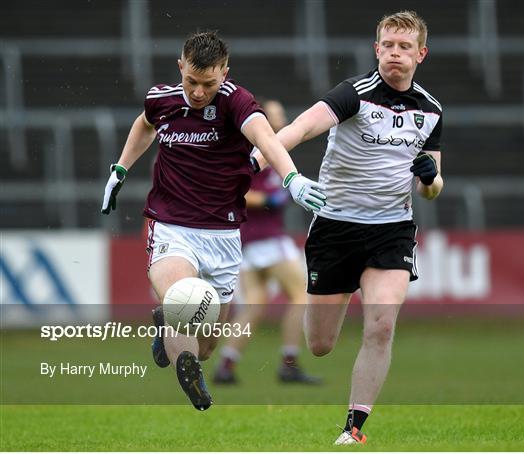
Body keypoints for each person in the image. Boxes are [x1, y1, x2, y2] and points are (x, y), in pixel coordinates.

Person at [101, 31, 326, 411]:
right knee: (182, 297)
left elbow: (267, 140)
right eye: (191, 81)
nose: (199, 92)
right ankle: (176, 336)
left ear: (225, 72)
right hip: (172, 226)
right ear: (180, 67)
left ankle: (173, 335)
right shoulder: (162, 99)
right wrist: (120, 168)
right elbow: (144, 124)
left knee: (206, 346)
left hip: (223, 234)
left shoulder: (237, 103)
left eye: (209, 83)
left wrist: (291, 178)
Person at [251, 11, 443, 444]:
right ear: (377, 49)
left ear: (421, 54)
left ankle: (354, 429)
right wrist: (255, 161)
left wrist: (430, 178)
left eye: (405, 46)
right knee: (319, 344)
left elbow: (432, 188)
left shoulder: (431, 111)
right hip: (336, 227)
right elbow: (299, 129)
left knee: (381, 325)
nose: (395, 53)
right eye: (388, 45)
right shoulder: (353, 94)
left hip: (392, 229)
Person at [213, 99, 321, 385]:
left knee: (255, 304)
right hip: (265, 239)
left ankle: (226, 366)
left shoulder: (275, 153)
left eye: (281, 115)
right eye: (273, 116)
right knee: (301, 295)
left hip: (249, 241)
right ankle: (289, 363)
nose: (280, 120)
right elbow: (238, 189)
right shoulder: (258, 153)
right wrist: (269, 200)